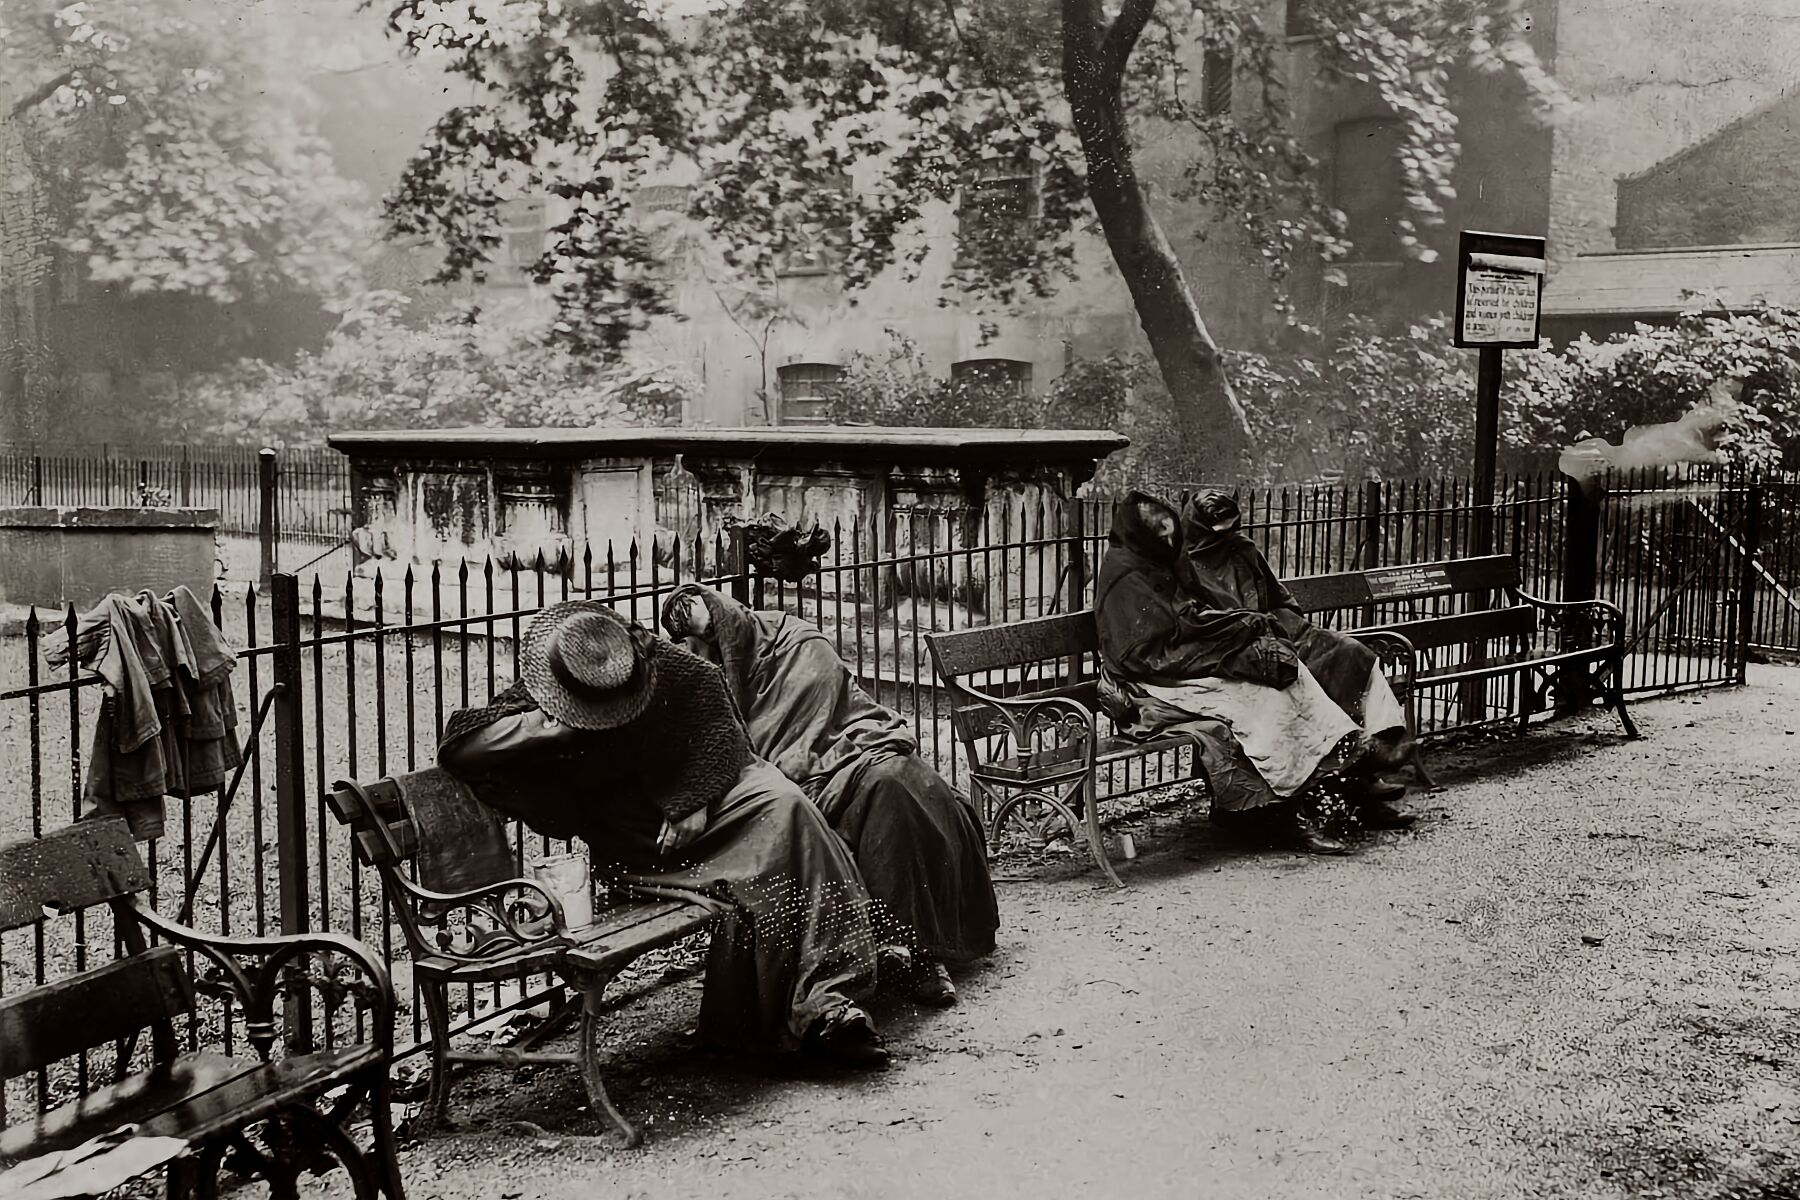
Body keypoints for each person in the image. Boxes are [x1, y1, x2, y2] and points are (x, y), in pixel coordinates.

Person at [438, 600, 889, 1069]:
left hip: (698, 813)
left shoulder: (644, 660)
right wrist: (542, 731)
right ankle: (808, 1011)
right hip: (641, 845)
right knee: (772, 858)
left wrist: (696, 795)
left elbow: (714, 708)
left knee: (788, 808)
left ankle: (828, 1001)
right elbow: (460, 745)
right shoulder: (546, 692)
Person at [660, 584, 999, 1008]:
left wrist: (822, 752)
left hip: (846, 751)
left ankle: (917, 951)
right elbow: (722, 751)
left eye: (711, 636)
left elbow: (838, 709)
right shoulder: (700, 679)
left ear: (729, 623)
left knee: (898, 781)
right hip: (784, 786)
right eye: (689, 642)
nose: (703, 650)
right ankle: (892, 953)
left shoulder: (795, 640)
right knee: (876, 794)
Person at [1094, 491, 1413, 856]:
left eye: (1171, 530)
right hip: (1153, 680)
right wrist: (1220, 646)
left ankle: (1356, 760)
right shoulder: (1124, 575)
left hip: (1188, 662)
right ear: (1138, 533)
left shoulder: (1163, 559)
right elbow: (1143, 653)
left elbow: (1193, 615)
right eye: (1160, 532)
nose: (1169, 538)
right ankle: (1289, 813)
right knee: (1264, 697)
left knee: (1295, 676)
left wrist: (1231, 633)